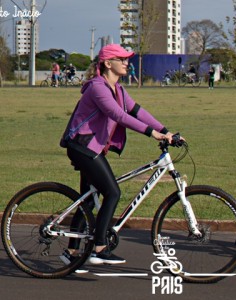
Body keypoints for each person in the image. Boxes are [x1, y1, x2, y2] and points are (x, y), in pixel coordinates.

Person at [59, 44, 181, 265]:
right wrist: (151, 133)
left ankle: (72, 255)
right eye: (121, 59)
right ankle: (99, 247)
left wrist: (165, 131)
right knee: (112, 192)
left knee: (87, 199)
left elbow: (137, 112)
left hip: (91, 148)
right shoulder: (98, 87)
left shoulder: (119, 91)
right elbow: (117, 114)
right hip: (82, 147)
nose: (126, 62)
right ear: (107, 63)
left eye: (127, 59)